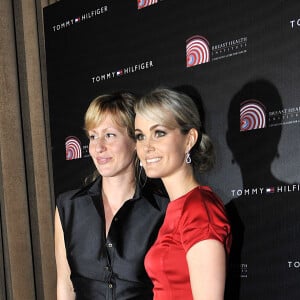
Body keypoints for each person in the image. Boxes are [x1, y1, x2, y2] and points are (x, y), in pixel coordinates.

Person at [55, 92, 168, 300]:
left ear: (135, 141)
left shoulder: (163, 211)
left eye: (109, 135)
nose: (98, 147)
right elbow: (65, 285)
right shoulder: (68, 206)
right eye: (93, 136)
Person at [134, 87, 232, 300]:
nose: (146, 146)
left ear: (189, 139)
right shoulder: (177, 207)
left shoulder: (199, 210)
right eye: (140, 136)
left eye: (159, 133)